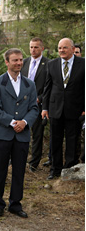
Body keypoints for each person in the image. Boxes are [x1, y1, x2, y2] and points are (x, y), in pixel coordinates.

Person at [0, 48, 38, 218]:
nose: (18, 63)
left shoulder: (29, 84)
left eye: (20, 60)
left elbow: (34, 108)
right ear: (7, 62)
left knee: (19, 171)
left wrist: (24, 122)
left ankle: (15, 204)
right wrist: (12, 122)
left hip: (22, 134)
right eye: (15, 60)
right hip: (3, 134)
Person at [42, 38, 85, 179]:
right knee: (55, 140)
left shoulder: (83, 64)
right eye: (60, 48)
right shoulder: (52, 64)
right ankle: (55, 169)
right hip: (55, 109)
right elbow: (47, 88)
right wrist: (45, 107)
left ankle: (70, 169)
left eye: (65, 48)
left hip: (75, 109)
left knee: (73, 140)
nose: (61, 50)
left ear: (73, 49)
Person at [20, 37, 49, 172]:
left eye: (36, 47)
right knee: (20, 131)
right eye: (31, 47)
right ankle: (19, 159)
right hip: (22, 104)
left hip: (38, 105)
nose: (33, 49)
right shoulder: (23, 63)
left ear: (42, 48)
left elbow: (50, 86)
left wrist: (40, 98)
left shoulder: (48, 64)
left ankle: (33, 163)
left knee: (37, 134)